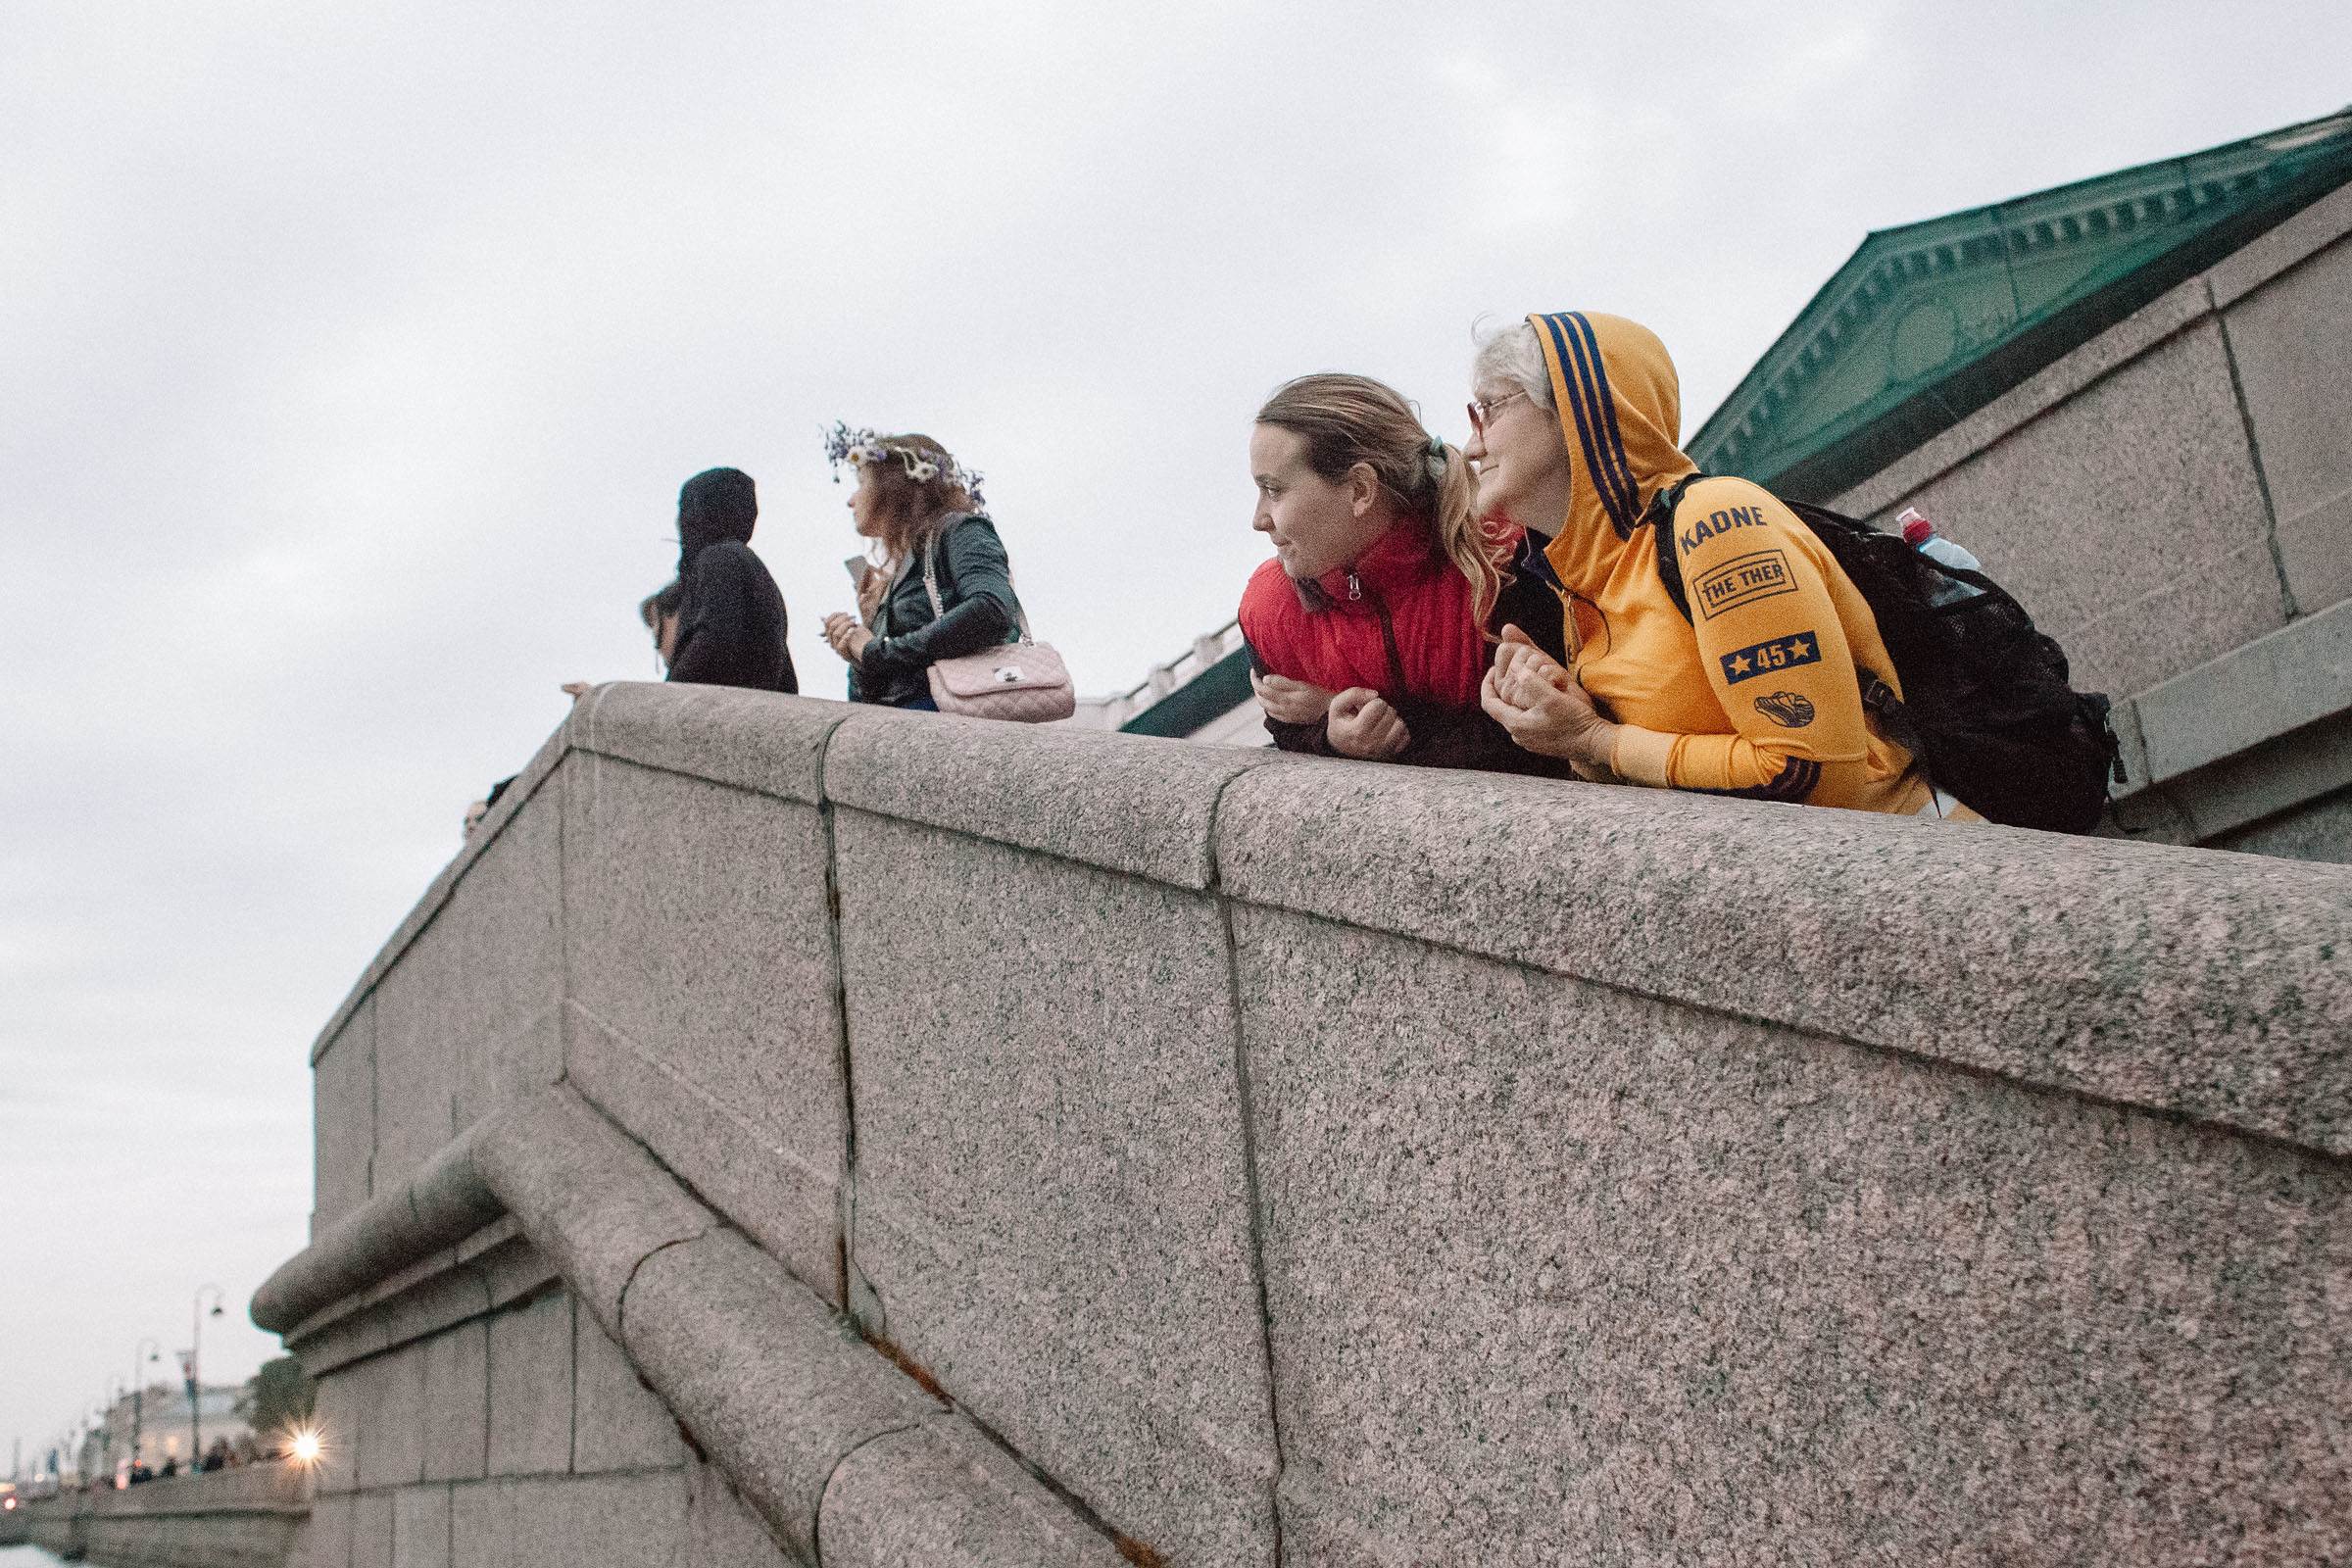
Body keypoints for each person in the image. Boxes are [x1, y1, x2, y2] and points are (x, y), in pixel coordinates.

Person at [1471, 312, 1942, 813]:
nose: (1472, 445)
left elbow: (1808, 770)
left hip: (1908, 853)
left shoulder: (1715, 523)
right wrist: (1570, 721)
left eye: (1489, 409)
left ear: (1573, 408)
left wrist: (1597, 740)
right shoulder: (1584, 575)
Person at [1240, 373, 1574, 773]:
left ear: (1360, 490)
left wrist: (1358, 720)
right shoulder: (1268, 610)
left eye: (1273, 490)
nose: (1258, 519)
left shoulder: (1504, 561)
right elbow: (1287, 732)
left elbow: (1537, 745)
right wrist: (1330, 737)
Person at [819, 427, 1021, 710]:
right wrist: (858, 652)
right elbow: (871, 696)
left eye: (862, 483)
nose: (851, 499)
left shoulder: (960, 530)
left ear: (894, 486)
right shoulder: (896, 573)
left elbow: (991, 609)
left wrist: (876, 651)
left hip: (948, 719)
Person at [667, 466, 798, 694]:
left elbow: (715, 640)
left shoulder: (719, 559)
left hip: (720, 704)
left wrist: (668, 693)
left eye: (685, 508)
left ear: (702, 511)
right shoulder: (751, 566)